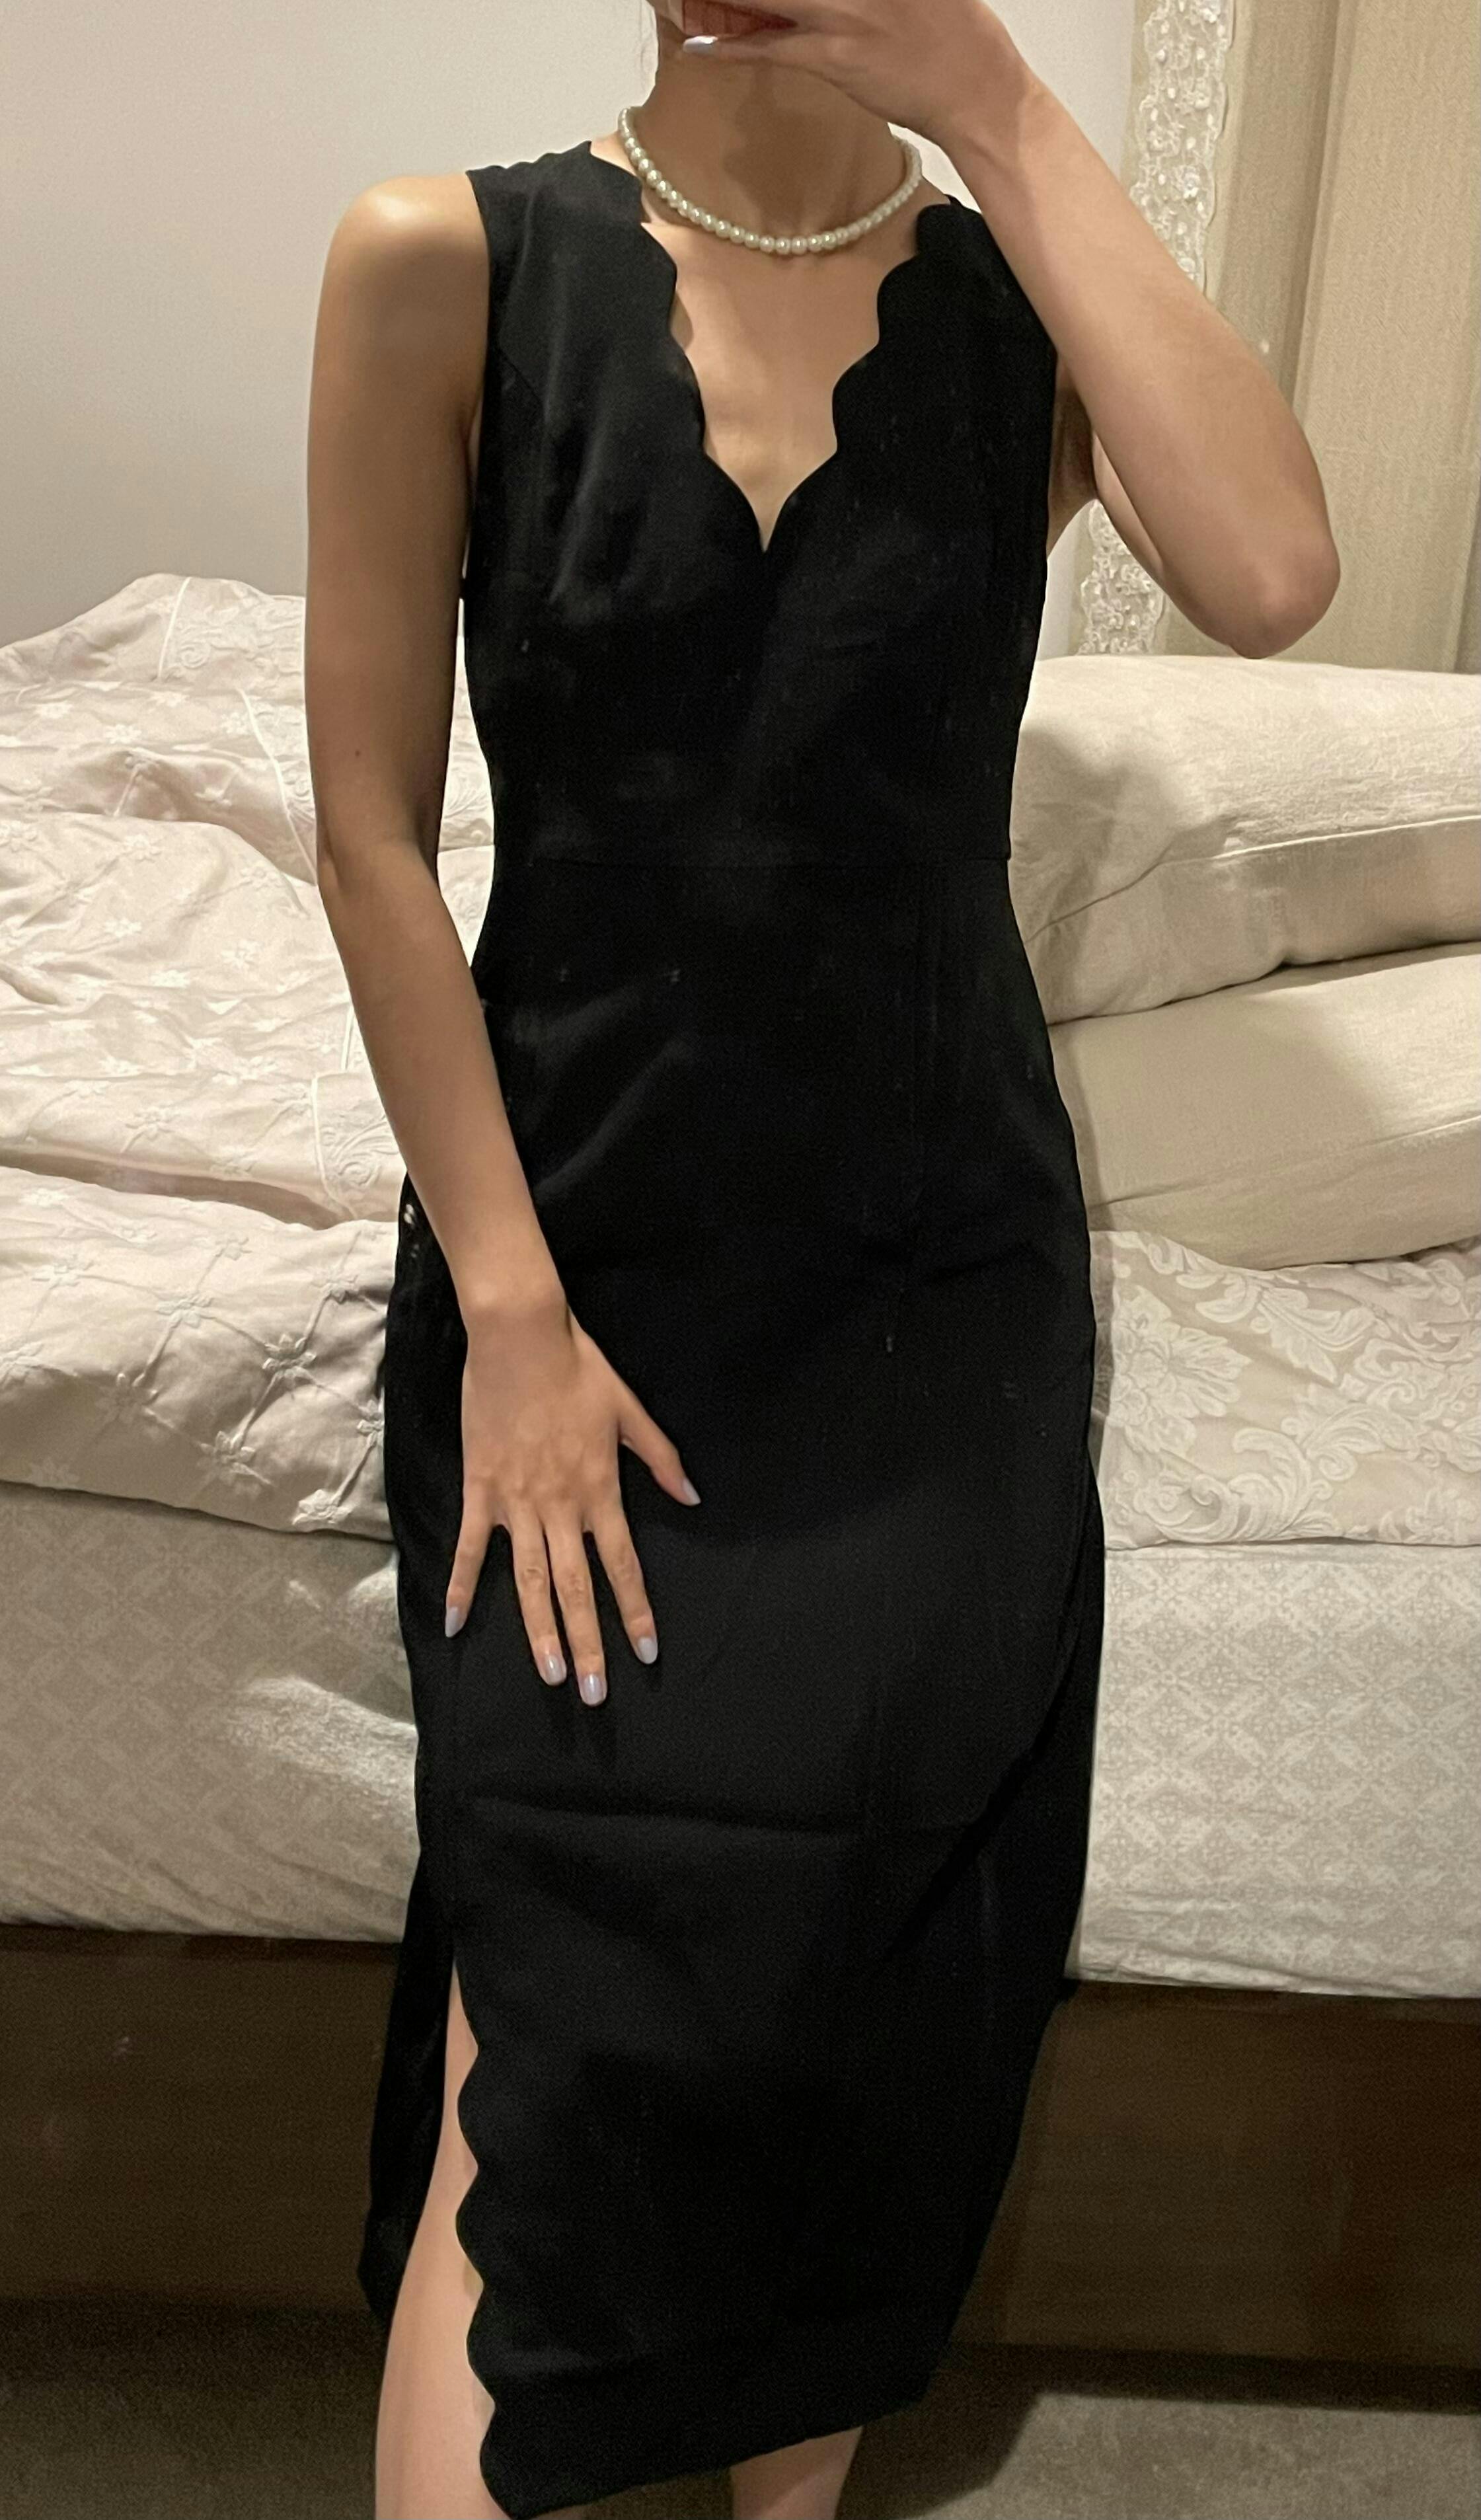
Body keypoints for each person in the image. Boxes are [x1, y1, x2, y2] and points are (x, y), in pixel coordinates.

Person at [304, 5, 1338, 2515]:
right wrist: (513, 1319)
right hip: (579, 1255)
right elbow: (364, 829)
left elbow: (1271, 573)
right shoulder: (447, 258)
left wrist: (990, 101)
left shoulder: (1017, 309)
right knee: (563, 1951)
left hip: (926, 1293)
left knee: (858, 1950)